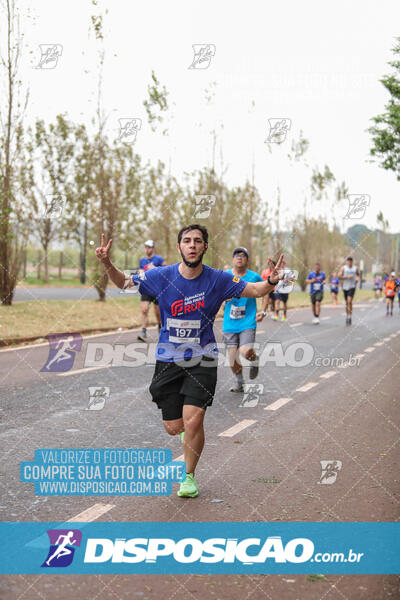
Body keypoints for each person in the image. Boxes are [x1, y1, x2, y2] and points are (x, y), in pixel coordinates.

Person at [95, 225, 284, 499]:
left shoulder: (219, 280)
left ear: (205, 247)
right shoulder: (161, 275)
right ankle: (185, 435)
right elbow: (125, 282)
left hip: (203, 358)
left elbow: (255, 289)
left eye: (198, 241)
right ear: (179, 247)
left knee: (193, 421)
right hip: (168, 359)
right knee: (174, 427)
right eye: (187, 241)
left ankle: (188, 476)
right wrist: (106, 263)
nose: (192, 245)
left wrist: (272, 282)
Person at [222, 247, 267, 392]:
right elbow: (216, 292)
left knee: (245, 350)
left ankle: (254, 360)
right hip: (229, 322)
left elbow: (266, 290)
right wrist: (222, 299)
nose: (239, 257)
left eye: (243, 255)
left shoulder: (254, 277)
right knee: (232, 357)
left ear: (247, 260)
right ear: (233, 259)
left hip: (247, 320)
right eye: (236, 255)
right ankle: (239, 382)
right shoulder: (225, 275)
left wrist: (263, 310)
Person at [137, 240, 166, 342]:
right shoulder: (142, 260)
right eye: (146, 247)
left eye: (149, 247)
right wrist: (140, 272)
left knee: (158, 313)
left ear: (153, 248)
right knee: (144, 309)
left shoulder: (159, 259)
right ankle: (143, 332)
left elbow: (166, 271)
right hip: (146, 288)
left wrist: (155, 268)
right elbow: (141, 271)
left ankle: (160, 328)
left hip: (157, 289)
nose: (147, 249)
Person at [338, 256, 359, 326]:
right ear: (346, 262)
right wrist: (346, 277)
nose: (349, 262)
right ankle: (347, 316)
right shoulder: (344, 268)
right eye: (348, 261)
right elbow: (339, 276)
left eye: (350, 261)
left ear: (352, 262)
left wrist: (357, 279)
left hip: (352, 287)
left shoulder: (355, 268)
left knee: (349, 301)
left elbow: (358, 275)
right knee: (347, 302)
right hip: (345, 287)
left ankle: (350, 316)